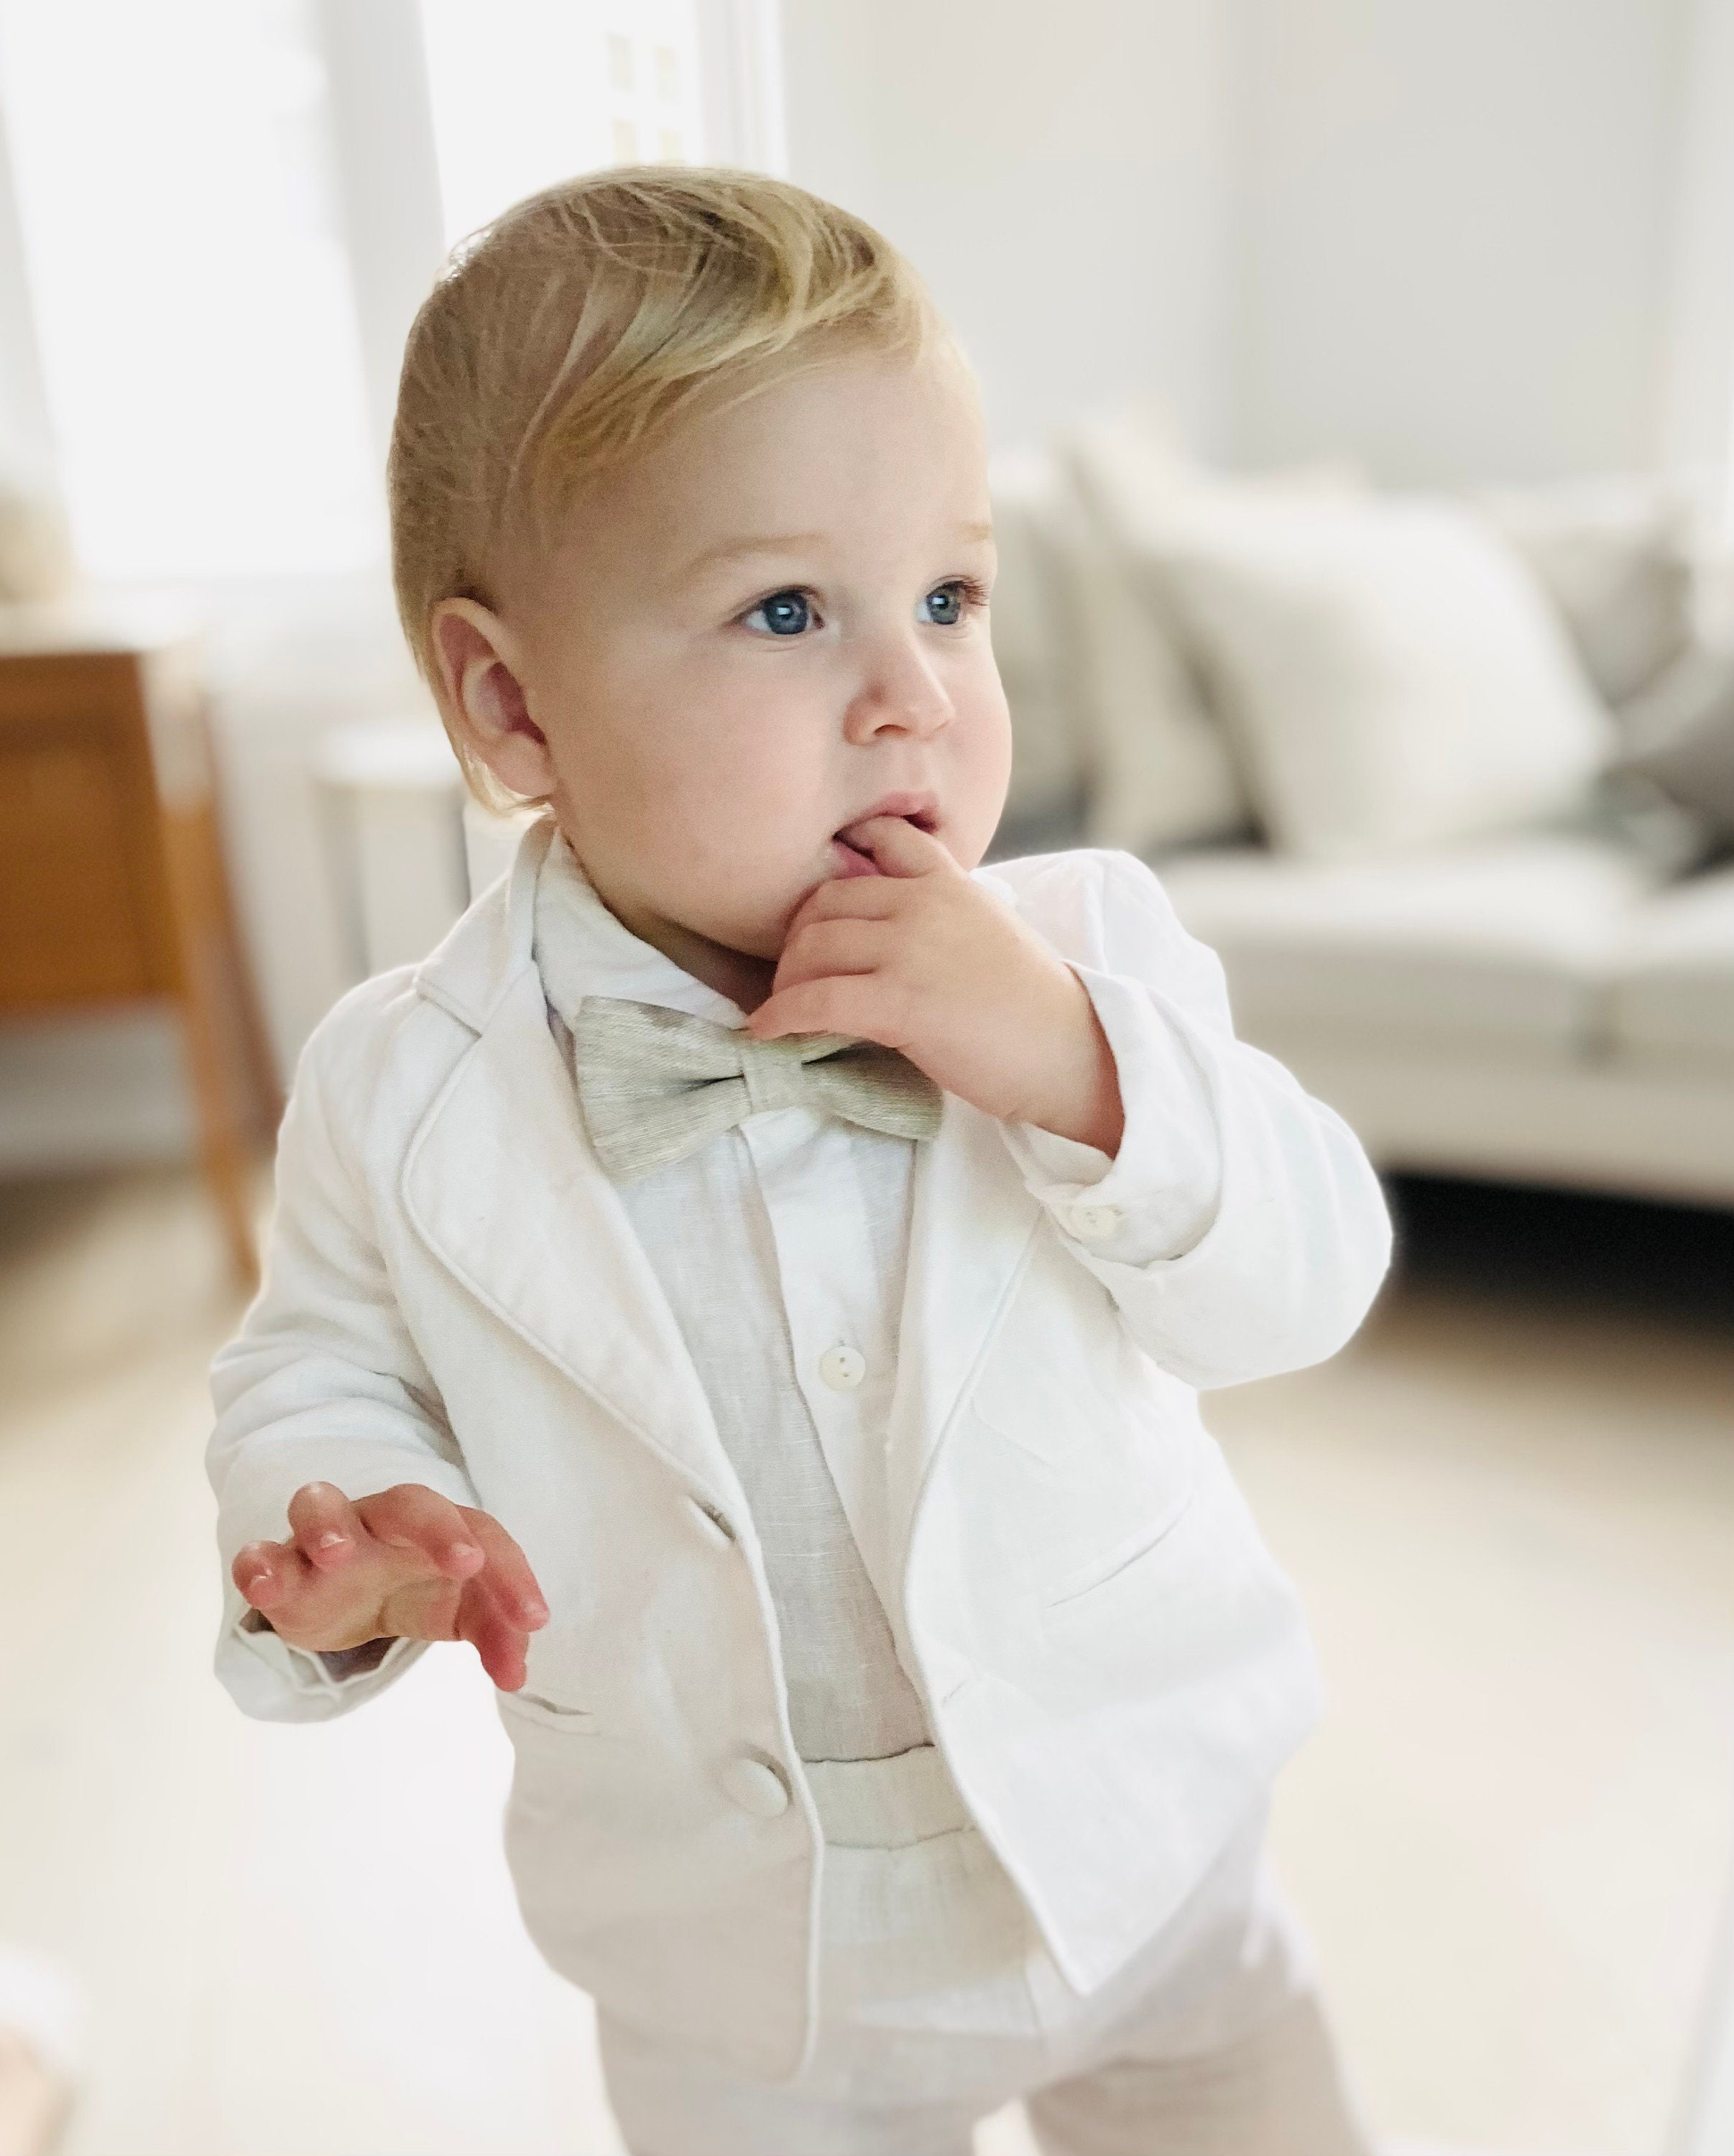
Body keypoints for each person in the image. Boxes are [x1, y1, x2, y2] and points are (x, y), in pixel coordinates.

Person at [208, 170, 1393, 2156]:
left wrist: (1076, 1070)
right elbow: (307, 1370)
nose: (914, 690)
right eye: (787, 611)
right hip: (739, 1970)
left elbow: (1306, 1277)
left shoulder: (1091, 960)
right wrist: (345, 1537)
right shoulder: (403, 1087)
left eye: (949, 595)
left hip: (1146, 1851)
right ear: (514, 704)